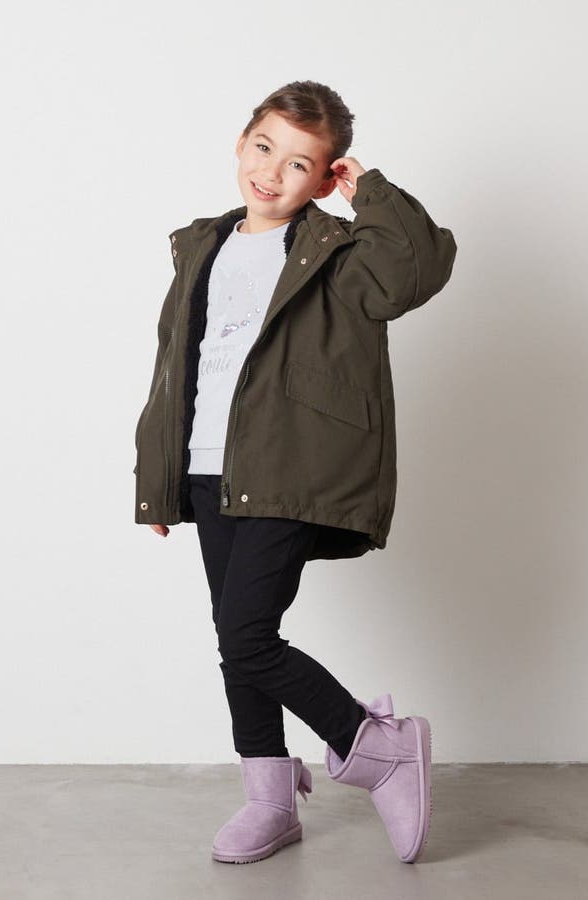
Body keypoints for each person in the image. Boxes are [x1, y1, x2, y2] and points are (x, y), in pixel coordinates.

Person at [133, 80, 457, 865]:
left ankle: (375, 745)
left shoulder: (340, 256)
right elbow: (177, 367)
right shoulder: (201, 246)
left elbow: (415, 271)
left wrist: (369, 192)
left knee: (248, 637)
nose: (273, 172)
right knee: (237, 640)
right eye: (264, 147)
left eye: (300, 163)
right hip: (208, 468)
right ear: (241, 142)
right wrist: (160, 475)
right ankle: (270, 801)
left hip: (288, 465)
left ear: (324, 178)